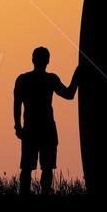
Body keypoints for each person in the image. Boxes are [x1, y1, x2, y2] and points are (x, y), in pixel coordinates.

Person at [13, 47, 78, 195]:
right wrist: (77, 76)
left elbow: (17, 105)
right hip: (46, 129)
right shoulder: (50, 79)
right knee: (45, 168)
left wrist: (18, 126)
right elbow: (69, 94)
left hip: (31, 129)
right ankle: (45, 194)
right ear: (48, 61)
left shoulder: (23, 79)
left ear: (32, 59)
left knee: (28, 168)